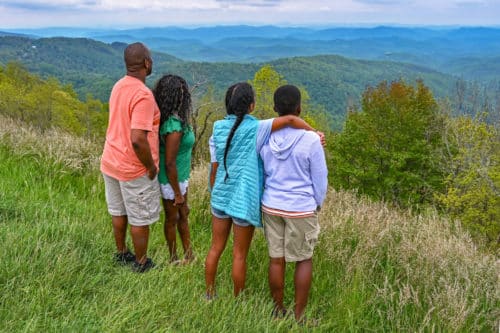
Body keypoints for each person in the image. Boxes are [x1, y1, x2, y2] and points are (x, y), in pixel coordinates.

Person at [204, 82, 322, 299]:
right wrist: (314, 132)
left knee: (215, 248)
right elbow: (289, 119)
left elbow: (215, 166)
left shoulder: (217, 127)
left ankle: (209, 293)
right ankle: (238, 299)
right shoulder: (256, 128)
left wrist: (213, 190)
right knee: (239, 255)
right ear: (252, 106)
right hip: (243, 201)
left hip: (220, 196)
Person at [259, 85, 328, 322]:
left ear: (275, 108)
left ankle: (278, 310)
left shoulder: (264, 135)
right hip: (300, 207)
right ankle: (299, 316)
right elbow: (320, 179)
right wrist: (316, 204)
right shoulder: (311, 140)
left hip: (271, 205)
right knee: (303, 259)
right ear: (299, 108)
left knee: (276, 259)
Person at [100, 42, 160, 273]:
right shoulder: (143, 95)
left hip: (111, 159)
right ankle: (141, 262)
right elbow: (137, 138)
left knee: (118, 211)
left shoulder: (118, 86)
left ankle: (122, 252)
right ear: (146, 63)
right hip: (133, 166)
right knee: (139, 217)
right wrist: (151, 166)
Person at [153, 74, 195, 265]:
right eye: (181, 93)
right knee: (173, 217)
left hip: (179, 176)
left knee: (183, 215)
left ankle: (189, 255)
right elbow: (169, 162)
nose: (184, 95)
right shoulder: (174, 126)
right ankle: (173, 258)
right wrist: (177, 193)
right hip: (171, 179)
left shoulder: (172, 119)